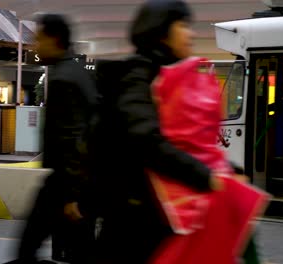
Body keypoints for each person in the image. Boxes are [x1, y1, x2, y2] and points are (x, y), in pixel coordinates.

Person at [92, 1, 225, 263]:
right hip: (133, 215)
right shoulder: (139, 76)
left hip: (156, 211)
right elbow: (145, 140)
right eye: (184, 25)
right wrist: (204, 176)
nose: (192, 34)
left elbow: (183, 140)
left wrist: (226, 170)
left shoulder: (169, 76)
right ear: (162, 31)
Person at [7, 14, 98, 264]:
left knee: (27, 248)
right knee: (82, 251)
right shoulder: (75, 72)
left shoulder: (63, 78)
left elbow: (72, 137)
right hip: (75, 181)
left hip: (65, 183)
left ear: (54, 39)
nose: (35, 47)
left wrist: (71, 195)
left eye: (39, 39)